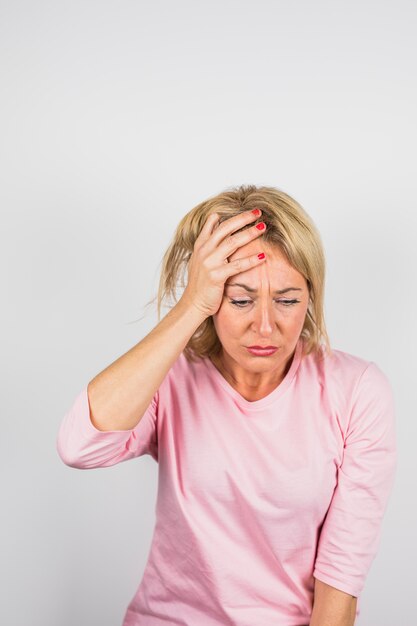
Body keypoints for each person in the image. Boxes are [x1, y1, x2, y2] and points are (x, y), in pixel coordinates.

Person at [56, 184, 397, 626]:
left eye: (288, 300)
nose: (265, 325)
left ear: (311, 296)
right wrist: (190, 306)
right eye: (240, 299)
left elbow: (340, 580)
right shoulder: (172, 375)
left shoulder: (358, 392)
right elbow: (79, 447)